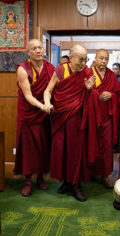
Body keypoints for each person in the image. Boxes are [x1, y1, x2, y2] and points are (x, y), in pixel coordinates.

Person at [43, 45, 96, 202]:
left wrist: (88, 90)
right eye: (81, 59)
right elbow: (48, 91)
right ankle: (66, 182)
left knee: (75, 152)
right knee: (62, 150)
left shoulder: (88, 72)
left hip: (78, 119)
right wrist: (46, 103)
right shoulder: (60, 71)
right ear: (71, 57)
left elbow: (93, 97)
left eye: (85, 59)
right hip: (59, 117)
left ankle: (76, 184)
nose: (83, 62)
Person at [14, 39, 54, 196]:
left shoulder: (50, 68)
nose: (38, 51)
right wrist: (42, 106)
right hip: (29, 113)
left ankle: (40, 178)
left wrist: (48, 105)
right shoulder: (23, 69)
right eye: (34, 48)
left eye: (40, 47)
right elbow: (28, 95)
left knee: (43, 146)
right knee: (28, 149)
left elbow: (53, 89)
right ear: (28, 52)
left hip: (45, 114)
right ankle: (28, 180)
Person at [90, 49, 120, 188]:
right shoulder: (88, 73)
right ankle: (91, 172)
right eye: (101, 58)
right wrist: (94, 94)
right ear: (95, 58)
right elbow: (81, 93)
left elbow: (118, 94)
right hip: (91, 116)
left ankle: (105, 175)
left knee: (107, 147)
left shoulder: (111, 75)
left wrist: (111, 95)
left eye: (106, 58)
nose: (103, 61)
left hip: (107, 117)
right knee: (92, 145)